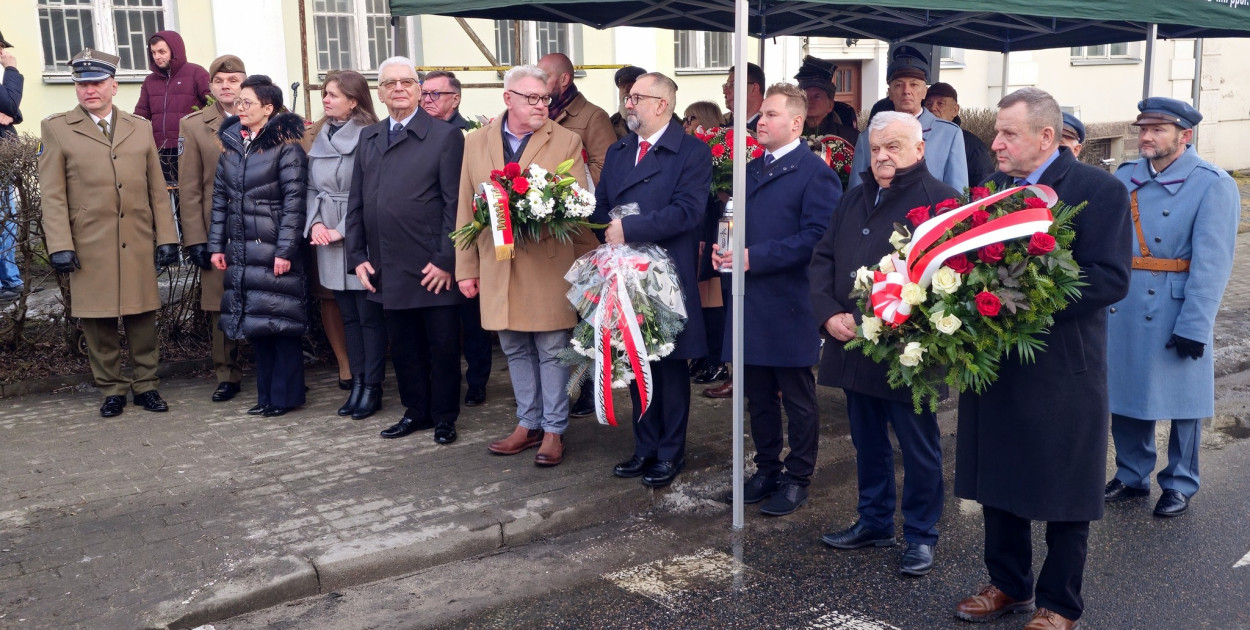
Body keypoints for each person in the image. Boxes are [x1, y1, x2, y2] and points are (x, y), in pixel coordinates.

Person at [953, 87, 1132, 630]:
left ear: (1046, 137)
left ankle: (1060, 603)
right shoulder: (991, 190)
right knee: (998, 477)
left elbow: (1110, 278)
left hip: (1061, 367)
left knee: (1064, 488)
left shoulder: (1098, 190)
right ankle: (1009, 583)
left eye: (1008, 133)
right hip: (995, 361)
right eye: (997, 132)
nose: (996, 143)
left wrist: (1023, 297)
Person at [811, 112, 957, 577]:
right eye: (875, 149)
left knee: (917, 447)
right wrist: (827, 314)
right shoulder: (853, 198)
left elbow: (947, 284)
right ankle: (874, 521)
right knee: (867, 441)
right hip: (852, 344)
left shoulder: (941, 202)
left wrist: (871, 321)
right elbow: (823, 258)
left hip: (906, 350)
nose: (882, 157)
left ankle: (921, 534)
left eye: (893, 146)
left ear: (920, 149)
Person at [1104, 97, 1239, 518]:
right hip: (1126, 298)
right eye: (1143, 128)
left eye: (1157, 129)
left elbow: (1213, 263)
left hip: (1177, 302)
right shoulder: (1125, 176)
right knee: (1126, 389)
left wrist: (1195, 325)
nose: (1146, 136)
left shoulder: (1213, 183)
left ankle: (1180, 482)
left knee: (1184, 400)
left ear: (1185, 135)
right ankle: (1131, 473)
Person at [710, 83, 839, 516]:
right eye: (761, 114)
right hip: (749, 298)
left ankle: (798, 477)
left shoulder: (815, 173)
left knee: (797, 397)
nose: (759, 121)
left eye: (770, 115)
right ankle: (766, 469)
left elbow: (817, 238)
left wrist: (754, 257)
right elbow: (734, 221)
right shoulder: (750, 168)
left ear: (796, 123)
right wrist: (723, 250)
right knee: (757, 395)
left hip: (789, 302)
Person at [458, 65, 595, 467]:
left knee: (552, 348)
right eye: (532, 98)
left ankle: (554, 430)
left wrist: (535, 204)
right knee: (514, 347)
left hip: (546, 263)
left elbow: (577, 202)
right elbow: (464, 205)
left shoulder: (566, 139)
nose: (540, 105)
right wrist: (466, 268)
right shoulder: (475, 141)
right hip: (497, 263)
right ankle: (527, 424)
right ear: (508, 98)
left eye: (545, 98)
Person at [40, 49, 180, 418]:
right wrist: (59, 244)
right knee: (98, 320)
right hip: (90, 243)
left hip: (137, 239)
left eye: (97, 83)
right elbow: (52, 195)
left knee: (142, 317)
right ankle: (113, 389)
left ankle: (146, 385)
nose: (89, 90)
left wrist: (167, 238)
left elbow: (157, 189)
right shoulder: (57, 128)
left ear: (113, 86)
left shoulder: (140, 127)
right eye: (82, 84)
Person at [594, 72, 713, 488]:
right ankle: (644, 447)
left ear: (662, 105)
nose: (628, 104)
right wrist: (604, 227)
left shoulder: (692, 152)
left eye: (636, 98)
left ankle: (669, 452)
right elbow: (603, 205)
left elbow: (688, 211)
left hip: (667, 273)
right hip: (623, 270)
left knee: (670, 365)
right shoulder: (619, 150)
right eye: (628, 97)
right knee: (636, 358)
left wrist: (630, 228)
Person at [345, 56, 464, 445]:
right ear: (379, 93)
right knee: (404, 349)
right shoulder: (369, 137)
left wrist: (445, 259)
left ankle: (444, 417)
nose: (398, 88)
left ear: (419, 90)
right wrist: (357, 256)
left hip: (432, 266)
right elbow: (356, 203)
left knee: (442, 347)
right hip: (387, 264)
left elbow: (455, 205)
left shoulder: (445, 137)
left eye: (407, 82)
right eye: (389, 83)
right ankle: (416, 412)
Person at [208, 75, 309, 418]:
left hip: (274, 249)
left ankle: (286, 397)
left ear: (268, 109)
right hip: (242, 251)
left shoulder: (287, 147)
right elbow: (219, 199)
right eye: (238, 102)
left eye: (247, 102)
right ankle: (266, 396)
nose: (240, 108)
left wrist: (285, 251)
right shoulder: (233, 144)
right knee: (258, 326)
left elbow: (295, 203)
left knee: (282, 324)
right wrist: (216, 246)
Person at [304, 70, 385, 420]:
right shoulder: (321, 133)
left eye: (333, 94)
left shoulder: (371, 134)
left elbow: (372, 191)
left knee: (368, 317)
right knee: (348, 316)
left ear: (353, 101)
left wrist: (342, 230)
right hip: (327, 235)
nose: (325, 99)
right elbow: (311, 187)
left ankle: (373, 387)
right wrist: (316, 223)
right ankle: (358, 382)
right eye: (325, 93)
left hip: (360, 236)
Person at [421, 70, 493, 406]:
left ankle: (477, 381)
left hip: (466, 235)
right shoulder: (419, 133)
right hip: (429, 236)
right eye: (424, 94)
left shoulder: (470, 134)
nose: (427, 100)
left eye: (435, 94)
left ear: (456, 98)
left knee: (472, 317)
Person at [179, 54, 248, 402]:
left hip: (259, 229)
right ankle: (227, 373)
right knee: (221, 304)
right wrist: (196, 238)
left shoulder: (264, 116)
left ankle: (275, 368)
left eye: (233, 80)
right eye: (219, 81)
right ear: (210, 87)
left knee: (266, 297)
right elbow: (190, 187)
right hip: (217, 231)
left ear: (244, 83)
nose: (226, 86)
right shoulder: (194, 125)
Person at [848, 46, 967, 192]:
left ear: (924, 92)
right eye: (899, 85)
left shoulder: (949, 134)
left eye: (914, 84)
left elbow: (958, 193)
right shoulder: (868, 137)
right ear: (890, 93)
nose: (906, 91)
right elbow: (856, 193)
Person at [681, 101, 730, 389]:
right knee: (698, 301)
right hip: (697, 231)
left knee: (712, 302)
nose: (685, 124)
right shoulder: (692, 151)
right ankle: (702, 356)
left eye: (691, 118)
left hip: (714, 232)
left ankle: (717, 361)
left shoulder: (718, 154)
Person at [133, 30, 210, 184]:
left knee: (189, 191)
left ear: (175, 51)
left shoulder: (197, 73)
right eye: (153, 52)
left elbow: (212, 104)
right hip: (160, 150)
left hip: (189, 148)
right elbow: (141, 115)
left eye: (162, 52)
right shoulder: (150, 81)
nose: (157, 57)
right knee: (164, 194)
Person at [537, 53, 616, 186]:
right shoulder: (541, 113)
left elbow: (605, 167)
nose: (538, 83)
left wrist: (559, 187)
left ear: (564, 79)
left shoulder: (595, 116)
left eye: (544, 77)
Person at [922, 82, 993, 186]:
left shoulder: (972, 144)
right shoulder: (916, 136)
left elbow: (983, 185)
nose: (933, 108)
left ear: (955, 110)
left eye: (940, 104)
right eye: (928, 104)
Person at [0, 37, 25, 302]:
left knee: (8, 218)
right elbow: (8, 103)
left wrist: (14, 115)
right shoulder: (7, 70)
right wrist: (12, 69)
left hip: (4, 159)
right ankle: (7, 281)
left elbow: (9, 109)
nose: (3, 52)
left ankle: (10, 279)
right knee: (4, 219)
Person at [793, 55, 859, 145]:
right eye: (806, 96)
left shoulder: (851, 138)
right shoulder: (789, 135)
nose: (810, 101)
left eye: (817, 96)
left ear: (830, 105)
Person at [723, 63, 766, 132]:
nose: (725, 91)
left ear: (754, 88)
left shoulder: (770, 127)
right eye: (726, 86)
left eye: (733, 85)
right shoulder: (722, 124)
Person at [611, 66, 646, 139]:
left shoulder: (654, 118)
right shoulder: (611, 122)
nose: (626, 90)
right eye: (622, 86)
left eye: (631, 86)